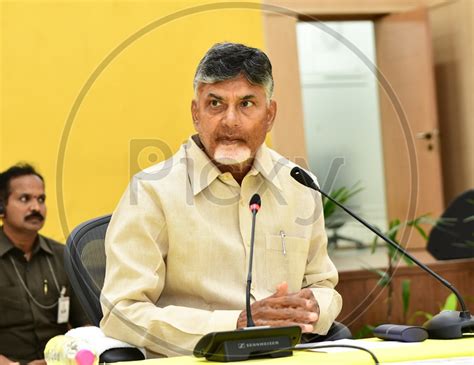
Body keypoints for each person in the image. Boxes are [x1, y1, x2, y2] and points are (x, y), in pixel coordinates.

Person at [100, 42, 342, 357]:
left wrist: (312, 308)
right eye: (215, 103)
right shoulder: (151, 192)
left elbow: (324, 286)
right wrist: (235, 325)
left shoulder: (300, 185)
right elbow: (121, 312)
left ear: (269, 115)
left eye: (246, 104)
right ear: (195, 113)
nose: (230, 121)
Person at [0, 164, 89, 365]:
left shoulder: (63, 255)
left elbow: (86, 323)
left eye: (41, 199)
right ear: (1, 206)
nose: (36, 208)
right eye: (25, 199)